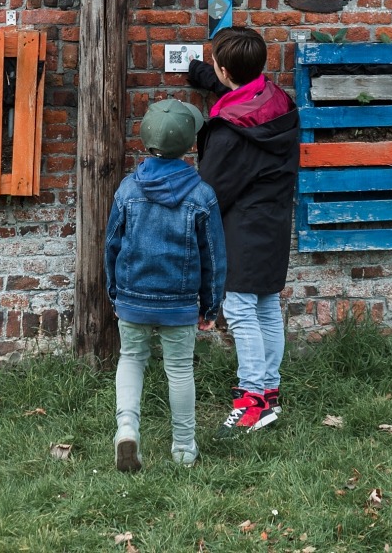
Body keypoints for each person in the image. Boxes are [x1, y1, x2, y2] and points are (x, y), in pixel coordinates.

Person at [188, 26, 300, 437]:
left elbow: (212, 190)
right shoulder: (278, 101)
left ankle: (251, 400)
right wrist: (203, 76)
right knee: (267, 305)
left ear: (222, 68)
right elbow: (241, 99)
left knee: (237, 308)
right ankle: (269, 393)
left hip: (241, 226)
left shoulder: (229, 133)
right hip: (273, 222)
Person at [104, 98, 227, 471]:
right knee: (179, 370)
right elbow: (214, 257)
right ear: (190, 144)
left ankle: (127, 427)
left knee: (131, 359)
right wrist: (210, 306)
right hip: (179, 301)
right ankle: (185, 447)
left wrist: (115, 292)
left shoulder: (127, 190)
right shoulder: (201, 195)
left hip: (133, 297)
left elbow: (111, 244)